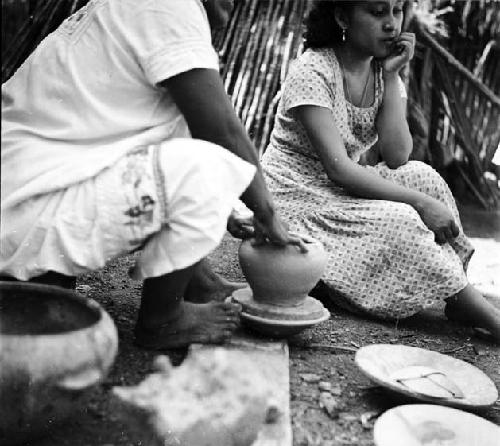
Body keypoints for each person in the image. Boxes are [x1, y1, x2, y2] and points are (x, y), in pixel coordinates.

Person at [1, 0, 304, 349]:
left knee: (191, 154)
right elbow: (221, 131)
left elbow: (152, 138)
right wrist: (266, 213)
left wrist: (231, 207)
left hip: (24, 200)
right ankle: (163, 320)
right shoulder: (170, 6)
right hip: (25, 210)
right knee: (206, 168)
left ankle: (199, 283)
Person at [261, 0, 500, 340]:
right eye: (377, 13)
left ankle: (455, 291)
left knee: (423, 177)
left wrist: (391, 75)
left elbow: (398, 154)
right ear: (343, 16)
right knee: (401, 219)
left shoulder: (380, 72)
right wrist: (419, 204)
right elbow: (339, 169)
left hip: (339, 193)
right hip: (297, 197)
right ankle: (477, 307)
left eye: (397, 10)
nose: (391, 24)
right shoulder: (312, 71)